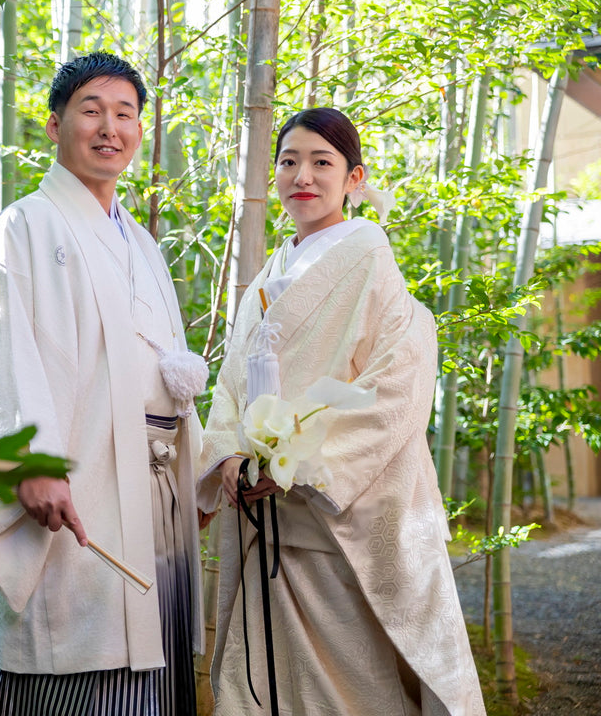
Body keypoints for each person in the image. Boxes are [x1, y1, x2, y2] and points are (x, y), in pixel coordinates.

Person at [197, 107, 486, 716]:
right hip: (261, 512)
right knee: (264, 680)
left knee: (353, 685)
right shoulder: (266, 278)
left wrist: (303, 461)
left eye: (321, 162)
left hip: (334, 518)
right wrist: (227, 452)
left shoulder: (371, 264)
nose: (303, 175)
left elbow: (396, 386)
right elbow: (229, 383)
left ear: (354, 178)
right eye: (289, 161)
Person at [0, 51, 208, 716]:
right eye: (91, 111)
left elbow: (167, 374)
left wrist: (200, 470)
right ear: (54, 124)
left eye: (125, 114)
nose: (109, 128)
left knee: (154, 661)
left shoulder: (143, 245)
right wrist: (29, 465)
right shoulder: (27, 226)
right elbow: (3, 356)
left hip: (152, 492)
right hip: (83, 480)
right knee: (78, 644)